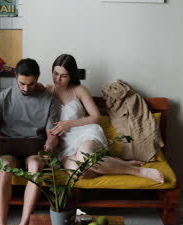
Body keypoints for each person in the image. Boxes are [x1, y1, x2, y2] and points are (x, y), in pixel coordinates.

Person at [47, 54, 164, 182]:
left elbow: (95, 117)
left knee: (87, 159)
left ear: (71, 76)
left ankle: (138, 171)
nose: (58, 79)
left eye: (63, 76)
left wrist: (68, 124)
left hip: (82, 134)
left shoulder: (79, 90)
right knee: (80, 173)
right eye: (55, 73)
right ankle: (119, 164)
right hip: (63, 143)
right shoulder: (46, 91)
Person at [0, 58, 59, 225]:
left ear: (37, 79)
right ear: (16, 77)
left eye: (31, 83)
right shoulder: (4, 96)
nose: (26, 88)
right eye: (22, 83)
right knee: (5, 168)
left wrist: (50, 144)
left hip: (34, 147)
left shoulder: (48, 100)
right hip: (9, 146)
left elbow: (52, 133)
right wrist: (1, 139)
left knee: (35, 167)